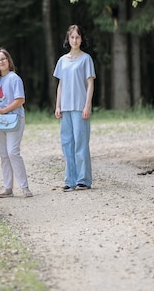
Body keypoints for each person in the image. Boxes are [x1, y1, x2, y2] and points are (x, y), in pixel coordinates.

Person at [53, 24, 96, 192]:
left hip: (80, 107)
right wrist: (58, 105)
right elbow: (60, 85)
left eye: (78, 37)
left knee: (81, 142)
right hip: (65, 108)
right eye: (72, 37)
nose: (75, 40)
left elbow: (90, 83)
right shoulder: (62, 61)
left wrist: (87, 105)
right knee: (67, 143)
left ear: (81, 39)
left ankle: (83, 179)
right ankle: (70, 179)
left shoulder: (86, 59)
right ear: (68, 39)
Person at [0, 48, 33, 198]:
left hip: (14, 118)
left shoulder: (14, 79)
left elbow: (20, 100)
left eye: (3, 59)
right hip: (1, 120)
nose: (1, 62)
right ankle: (8, 188)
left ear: (9, 61)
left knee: (13, 152)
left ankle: (25, 188)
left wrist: (4, 110)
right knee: (3, 154)